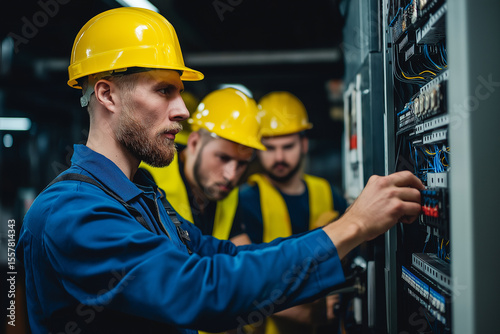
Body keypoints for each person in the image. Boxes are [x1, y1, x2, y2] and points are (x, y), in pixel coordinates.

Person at [16, 7, 424, 334]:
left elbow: (226, 257)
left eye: (179, 91)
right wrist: (351, 227)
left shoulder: (142, 196)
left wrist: (341, 240)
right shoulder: (72, 213)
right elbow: (202, 291)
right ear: (106, 93)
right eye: (164, 90)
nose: (182, 110)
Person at [233, 91, 348, 333]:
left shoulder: (328, 193)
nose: (279, 157)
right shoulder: (245, 200)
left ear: (304, 144)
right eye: (269, 148)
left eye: (288, 146)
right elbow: (246, 281)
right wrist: (311, 312)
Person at [140, 87, 265, 245]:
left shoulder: (227, 192)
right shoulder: (147, 178)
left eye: (242, 163)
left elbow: (241, 251)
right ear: (194, 143)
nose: (231, 175)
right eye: (223, 158)